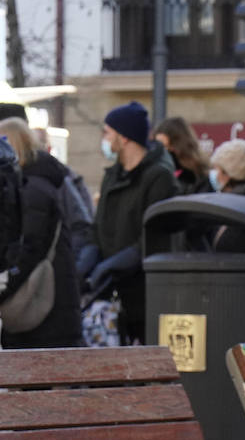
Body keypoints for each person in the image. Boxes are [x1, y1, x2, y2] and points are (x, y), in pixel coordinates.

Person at [90, 101, 178, 344]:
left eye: (107, 132)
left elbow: (152, 238)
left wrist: (111, 266)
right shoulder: (112, 176)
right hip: (113, 296)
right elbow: (97, 228)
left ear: (124, 137)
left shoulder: (159, 177)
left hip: (144, 295)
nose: (103, 138)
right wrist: (89, 258)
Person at [0, 118, 80, 349]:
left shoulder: (32, 189)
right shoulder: (34, 184)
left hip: (44, 313)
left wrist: (4, 289)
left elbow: (27, 250)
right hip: (48, 312)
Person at [154, 116, 211, 194]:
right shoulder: (157, 173)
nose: (163, 151)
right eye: (159, 146)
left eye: (167, 146)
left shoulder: (200, 176)